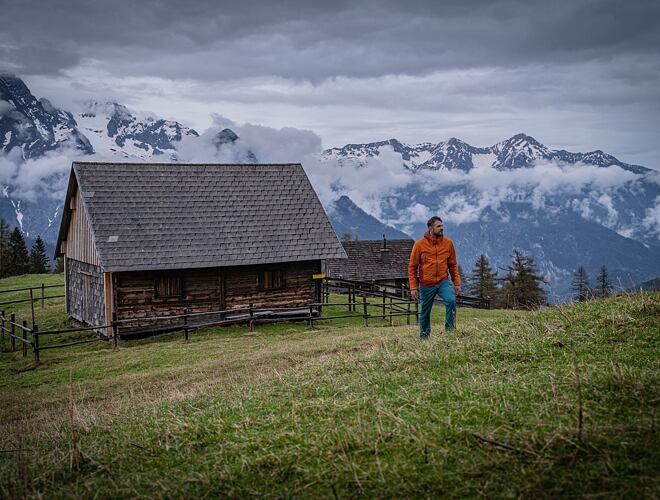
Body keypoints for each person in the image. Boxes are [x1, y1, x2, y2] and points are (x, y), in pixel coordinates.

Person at [408, 216, 461, 339]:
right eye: (439, 226)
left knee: (451, 301)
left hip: (443, 281)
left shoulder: (448, 243)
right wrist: (413, 287)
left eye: (442, 226)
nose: (442, 228)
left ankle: (450, 331)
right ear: (431, 228)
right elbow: (412, 267)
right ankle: (424, 337)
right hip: (426, 284)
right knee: (425, 312)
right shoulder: (419, 245)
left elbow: (453, 265)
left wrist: (457, 284)